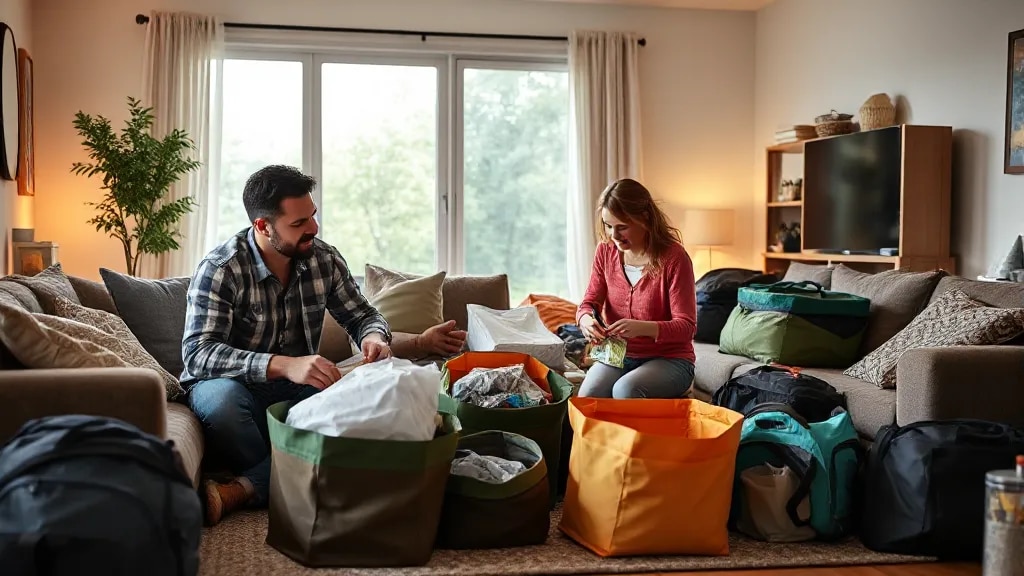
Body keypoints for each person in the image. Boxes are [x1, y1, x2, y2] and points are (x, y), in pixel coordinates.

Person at [181, 165, 465, 526]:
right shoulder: (221, 269)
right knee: (223, 406)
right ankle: (306, 467)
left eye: (312, 217)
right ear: (263, 227)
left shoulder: (323, 258)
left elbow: (363, 316)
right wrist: (284, 364)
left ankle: (244, 486)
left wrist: (373, 337)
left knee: (369, 405)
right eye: (298, 224)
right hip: (227, 385)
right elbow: (199, 353)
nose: (313, 229)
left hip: (298, 388)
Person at [575, 178, 697, 399]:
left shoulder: (674, 258)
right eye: (608, 226)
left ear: (645, 218)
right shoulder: (606, 252)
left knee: (625, 390)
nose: (614, 235)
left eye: (622, 227)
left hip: (670, 360)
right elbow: (589, 303)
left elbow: (686, 327)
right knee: (587, 397)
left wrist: (642, 328)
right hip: (619, 356)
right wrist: (585, 321)